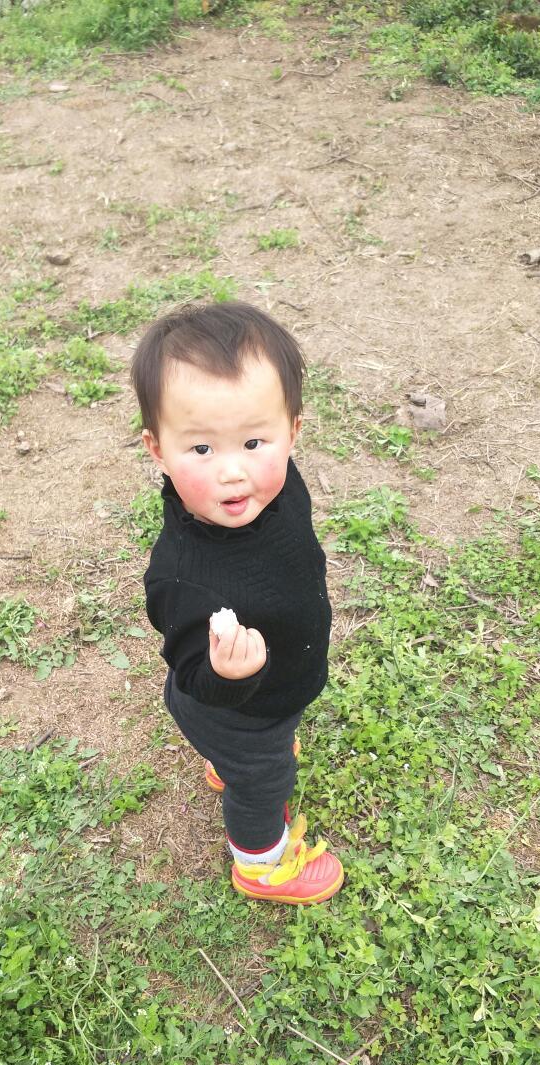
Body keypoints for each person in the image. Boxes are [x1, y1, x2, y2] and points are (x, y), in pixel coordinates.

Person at [132, 302, 343, 905]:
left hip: (281, 676)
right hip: (236, 709)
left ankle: (228, 761)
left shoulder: (279, 484)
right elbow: (191, 672)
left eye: (253, 442)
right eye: (201, 449)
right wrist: (228, 675)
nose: (233, 472)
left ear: (292, 431)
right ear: (157, 449)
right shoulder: (185, 577)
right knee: (264, 782)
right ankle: (260, 864)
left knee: (263, 750)